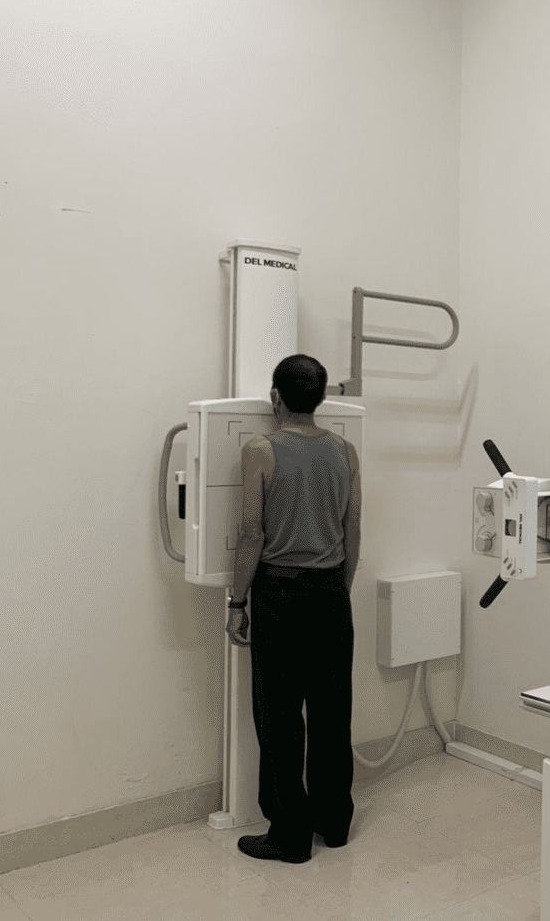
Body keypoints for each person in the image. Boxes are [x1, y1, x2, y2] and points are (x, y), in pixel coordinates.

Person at [225, 354, 362, 864]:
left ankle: (289, 834)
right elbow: (352, 531)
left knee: (280, 719)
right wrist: (338, 590)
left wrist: (238, 601)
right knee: (332, 714)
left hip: (279, 595)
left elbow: (251, 534)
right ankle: (334, 822)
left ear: (275, 397)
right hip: (331, 593)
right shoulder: (345, 451)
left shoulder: (260, 450)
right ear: (321, 398)